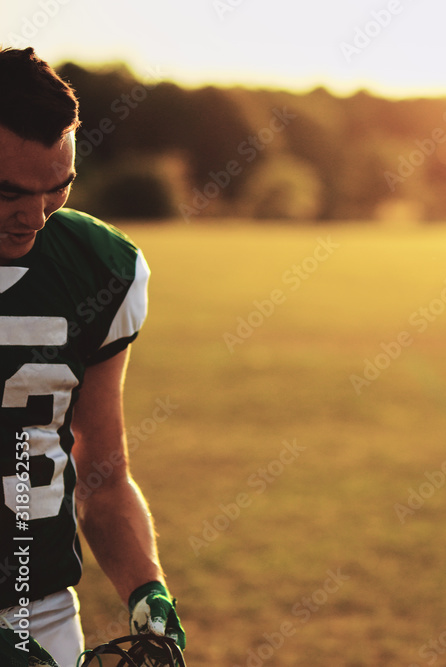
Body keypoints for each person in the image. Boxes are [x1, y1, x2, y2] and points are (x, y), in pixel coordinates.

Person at [0, 47, 184, 665]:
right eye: (8, 192)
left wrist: (147, 587)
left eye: (58, 188)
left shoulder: (98, 270)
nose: (34, 216)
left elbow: (101, 474)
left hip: (41, 612)